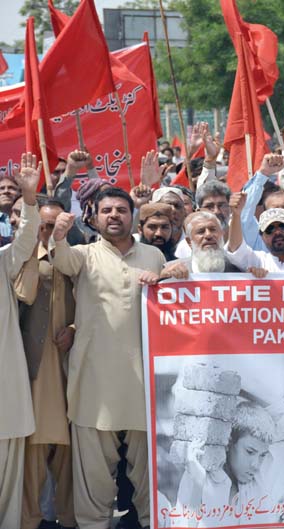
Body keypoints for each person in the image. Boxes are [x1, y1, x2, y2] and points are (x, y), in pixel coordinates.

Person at [51, 186, 165, 529]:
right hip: (94, 379)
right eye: (106, 211)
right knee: (94, 478)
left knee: (149, 476)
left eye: (121, 209)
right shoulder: (82, 254)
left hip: (144, 382)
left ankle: (151, 523)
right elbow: (61, 260)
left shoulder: (153, 256)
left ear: (133, 216)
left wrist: (169, 276)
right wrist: (58, 236)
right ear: (94, 217)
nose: (114, 215)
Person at [14, 198, 76, 529]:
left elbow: (95, 306)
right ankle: (28, 521)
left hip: (72, 368)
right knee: (35, 451)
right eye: (44, 226)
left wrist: (75, 329)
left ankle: (69, 520)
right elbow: (23, 293)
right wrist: (32, 252)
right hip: (36, 371)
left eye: (55, 226)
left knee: (69, 456)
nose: (49, 232)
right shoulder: (21, 258)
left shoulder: (78, 258)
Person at [0, 154, 41, 529]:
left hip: (4, 400)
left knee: (7, 494)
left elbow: (27, 240)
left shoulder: (2, 262)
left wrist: (29, 199)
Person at [175, 401, 280, 527]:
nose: (256, 465)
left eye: (262, 455)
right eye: (250, 452)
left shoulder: (257, 485)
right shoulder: (199, 476)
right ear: (229, 443)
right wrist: (198, 483)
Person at [226, 192, 284, 281]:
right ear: (262, 237)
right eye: (270, 229)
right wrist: (236, 214)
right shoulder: (257, 261)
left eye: (283, 227)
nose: (277, 232)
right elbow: (236, 249)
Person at [0, 174, 21, 241]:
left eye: (11, 188)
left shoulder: (27, 219)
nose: (6, 191)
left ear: (20, 192)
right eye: (1, 188)